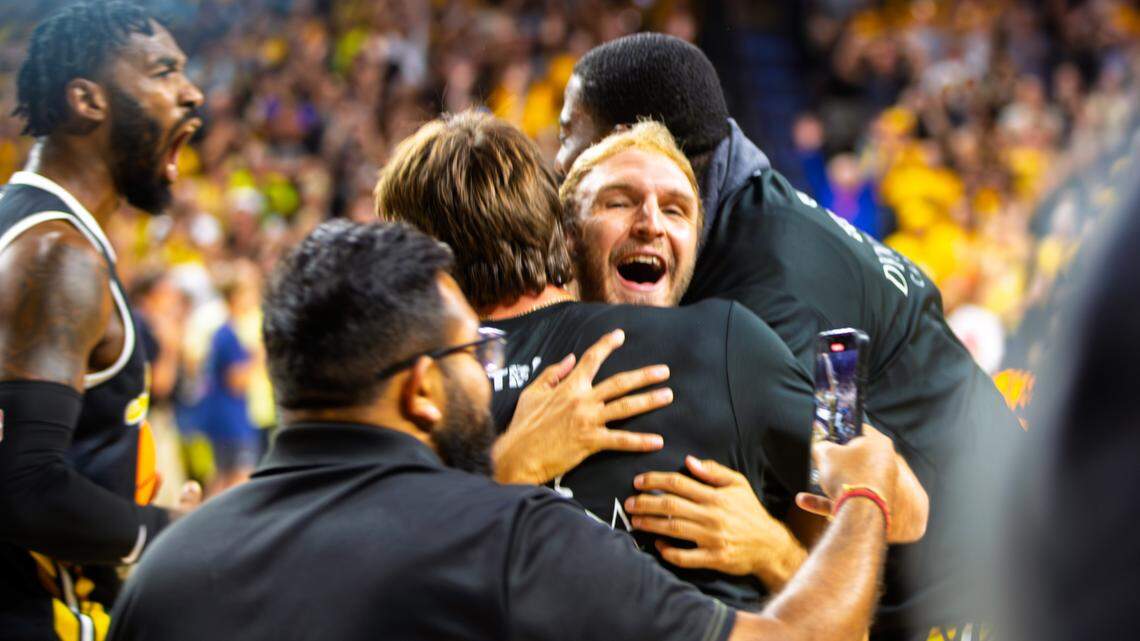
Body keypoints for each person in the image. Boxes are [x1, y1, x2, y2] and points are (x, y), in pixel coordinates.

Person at [109, 219, 909, 641]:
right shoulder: (514, 539)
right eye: (473, 352)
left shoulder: (167, 573)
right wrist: (863, 490)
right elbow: (804, 636)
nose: (487, 366)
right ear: (422, 388)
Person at [557, 33, 1020, 640]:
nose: (558, 156)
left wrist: (769, 547)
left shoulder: (787, 303)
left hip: (967, 596)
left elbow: (856, 481)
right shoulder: (733, 215)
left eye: (570, 132)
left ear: (632, 143)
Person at [375, 111, 927, 608]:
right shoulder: (433, 382)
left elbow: (897, 506)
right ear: (564, 236)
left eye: (676, 209)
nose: (651, 223)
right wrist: (510, 468)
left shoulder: (733, 341)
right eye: (618, 201)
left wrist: (772, 548)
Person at [0, 3, 203, 638]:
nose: (191, 93)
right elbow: (24, 487)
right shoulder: (58, 253)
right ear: (87, 100)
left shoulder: (22, 224)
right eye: (164, 71)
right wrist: (173, 532)